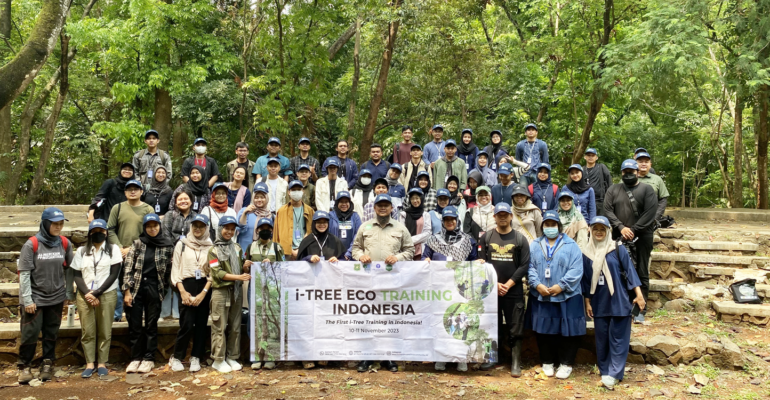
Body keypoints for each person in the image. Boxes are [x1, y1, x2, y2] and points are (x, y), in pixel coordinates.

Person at [351, 194, 415, 373]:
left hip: (391, 281)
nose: (383, 208)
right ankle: (367, 357)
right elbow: (355, 248)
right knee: (368, 318)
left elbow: (409, 250)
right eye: (380, 205)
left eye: (386, 205)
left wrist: (398, 257)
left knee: (389, 319)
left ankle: (389, 357)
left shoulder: (400, 228)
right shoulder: (365, 227)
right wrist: (360, 256)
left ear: (391, 208)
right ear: (375, 207)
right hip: (369, 282)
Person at [581, 216, 645, 389]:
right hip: (599, 302)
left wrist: (639, 295)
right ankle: (605, 371)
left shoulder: (617, 248)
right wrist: (587, 302)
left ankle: (615, 373)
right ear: (591, 231)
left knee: (618, 339)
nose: (599, 232)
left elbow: (630, 272)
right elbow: (586, 281)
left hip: (619, 301)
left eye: (602, 229)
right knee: (602, 340)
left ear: (608, 231)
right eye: (596, 229)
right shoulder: (586, 253)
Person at [525, 210, 585, 380]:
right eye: (547, 224)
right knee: (544, 330)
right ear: (542, 226)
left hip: (567, 295)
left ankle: (566, 363)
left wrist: (562, 285)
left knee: (568, 330)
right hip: (542, 294)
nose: (550, 227)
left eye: (553, 224)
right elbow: (529, 267)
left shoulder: (571, 245)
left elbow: (577, 269)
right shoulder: (535, 244)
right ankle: (547, 361)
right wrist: (537, 285)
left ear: (559, 226)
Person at [17, 208, 74, 384]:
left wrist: (68, 292)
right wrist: (27, 299)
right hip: (34, 299)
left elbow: (70, 269)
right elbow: (24, 273)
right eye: (55, 224)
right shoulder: (31, 244)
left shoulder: (64, 243)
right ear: (45, 224)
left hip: (56, 297)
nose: (58, 227)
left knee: (51, 332)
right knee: (30, 334)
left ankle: (48, 363)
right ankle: (25, 366)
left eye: (61, 224)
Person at [476, 203, 530, 376]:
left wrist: (509, 284)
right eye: (499, 214)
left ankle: (515, 362)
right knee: (492, 325)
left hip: (513, 291)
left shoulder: (520, 238)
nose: (502, 217)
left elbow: (524, 265)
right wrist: (496, 284)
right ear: (494, 217)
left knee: (516, 327)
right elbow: (482, 264)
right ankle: (492, 358)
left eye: (505, 214)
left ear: (511, 216)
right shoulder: (487, 237)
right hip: (492, 290)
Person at [424, 205, 478, 373]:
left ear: (457, 221)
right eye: (446, 220)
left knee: (460, 320)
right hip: (440, 289)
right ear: (442, 222)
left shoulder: (468, 240)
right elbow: (426, 257)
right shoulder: (434, 239)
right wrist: (425, 261)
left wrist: (479, 264)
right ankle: (442, 357)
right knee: (441, 321)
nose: (449, 222)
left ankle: (461, 356)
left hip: (461, 288)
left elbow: (474, 261)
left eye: (452, 219)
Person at [603, 159, 657, 323]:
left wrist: (633, 230)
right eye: (625, 172)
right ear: (622, 173)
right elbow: (607, 209)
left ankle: (640, 309)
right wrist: (620, 227)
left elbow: (650, 213)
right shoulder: (614, 189)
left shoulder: (647, 190)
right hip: (618, 236)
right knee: (619, 271)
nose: (628, 175)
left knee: (641, 271)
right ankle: (622, 305)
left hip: (642, 236)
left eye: (631, 172)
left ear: (637, 172)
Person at [122, 214, 174, 374]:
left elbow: (168, 271)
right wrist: (127, 291)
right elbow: (128, 269)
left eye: (155, 225)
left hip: (154, 288)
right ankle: (136, 358)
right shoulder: (137, 244)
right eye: (149, 226)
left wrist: (163, 289)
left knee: (151, 325)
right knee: (135, 325)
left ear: (159, 226)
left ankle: (149, 358)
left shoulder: (167, 245)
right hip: (136, 288)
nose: (152, 229)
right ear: (144, 228)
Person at [200, 216, 251, 373]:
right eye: (226, 228)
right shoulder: (213, 251)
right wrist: (238, 277)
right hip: (221, 292)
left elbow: (242, 268)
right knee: (219, 325)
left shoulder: (237, 248)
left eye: (232, 229)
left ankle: (232, 356)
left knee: (235, 326)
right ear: (220, 229)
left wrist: (246, 267)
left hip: (235, 292)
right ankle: (218, 359)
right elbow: (217, 273)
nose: (229, 231)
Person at [72, 219, 122, 378]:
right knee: (88, 330)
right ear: (89, 233)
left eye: (101, 231)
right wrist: (88, 293)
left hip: (106, 293)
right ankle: (89, 363)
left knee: (105, 329)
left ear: (106, 232)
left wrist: (97, 292)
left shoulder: (113, 249)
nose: (98, 234)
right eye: (94, 231)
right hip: (85, 294)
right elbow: (76, 274)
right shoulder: (81, 251)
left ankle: (102, 362)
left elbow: (114, 274)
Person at [169, 214, 213, 373]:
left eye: (201, 226)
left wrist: (203, 293)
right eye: (195, 226)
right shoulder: (181, 244)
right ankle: (177, 356)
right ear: (191, 226)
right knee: (186, 324)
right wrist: (182, 292)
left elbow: (213, 272)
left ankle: (196, 357)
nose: (198, 229)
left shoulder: (211, 246)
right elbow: (175, 271)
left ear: (206, 228)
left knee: (201, 324)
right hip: (186, 286)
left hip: (204, 287)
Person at [108, 179, 155, 322]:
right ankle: (116, 316)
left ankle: (136, 314)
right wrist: (120, 248)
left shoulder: (148, 209)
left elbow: (151, 231)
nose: (132, 191)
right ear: (125, 192)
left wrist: (132, 249)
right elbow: (110, 229)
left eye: (136, 189)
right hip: (119, 252)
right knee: (116, 283)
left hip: (140, 251)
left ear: (141, 191)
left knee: (137, 283)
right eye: (129, 189)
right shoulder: (118, 208)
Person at [245, 217, 285, 370]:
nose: (265, 231)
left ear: (272, 231)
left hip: (272, 288)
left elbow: (284, 268)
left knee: (270, 319)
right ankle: (256, 356)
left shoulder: (277, 247)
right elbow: (245, 269)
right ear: (257, 231)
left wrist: (273, 264)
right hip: (254, 288)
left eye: (268, 228)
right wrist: (246, 265)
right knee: (253, 318)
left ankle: (270, 357)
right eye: (262, 228)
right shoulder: (251, 247)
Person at [275, 180, 314, 260]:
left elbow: (312, 232)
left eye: (299, 190)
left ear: (303, 191)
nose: (296, 192)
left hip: (305, 251)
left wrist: (301, 248)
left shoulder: (310, 211)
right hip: (285, 252)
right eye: (293, 190)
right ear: (288, 192)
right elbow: (276, 235)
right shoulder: (281, 211)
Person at [236, 182, 273, 254]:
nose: (259, 200)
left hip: (262, 255)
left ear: (267, 198)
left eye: (262, 197)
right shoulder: (245, 210)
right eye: (256, 197)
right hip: (244, 253)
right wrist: (245, 213)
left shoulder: (270, 215)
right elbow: (240, 228)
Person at [635, 152, 669, 220]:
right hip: (630, 219)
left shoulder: (657, 179)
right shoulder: (628, 178)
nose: (643, 164)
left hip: (651, 219)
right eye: (640, 162)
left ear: (650, 165)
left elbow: (663, 200)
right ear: (635, 164)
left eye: (646, 162)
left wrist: (655, 218)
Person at [401, 188, 432, 260]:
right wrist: (408, 242)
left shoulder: (426, 215)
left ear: (421, 199)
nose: (415, 201)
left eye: (417, 198)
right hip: (407, 250)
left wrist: (410, 240)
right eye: (412, 199)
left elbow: (427, 233)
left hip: (421, 250)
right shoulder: (403, 214)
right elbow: (402, 232)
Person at [329, 191, 362, 260]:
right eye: (341, 202)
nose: (344, 204)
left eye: (346, 202)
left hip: (352, 255)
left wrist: (349, 253)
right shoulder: (330, 216)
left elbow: (358, 235)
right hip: (334, 256)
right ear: (337, 203)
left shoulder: (355, 216)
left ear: (350, 203)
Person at [584, 148, 612, 217]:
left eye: (592, 155)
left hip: (600, 201)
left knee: (601, 223)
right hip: (586, 201)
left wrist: (610, 199)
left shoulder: (601, 167)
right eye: (588, 155)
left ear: (596, 157)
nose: (590, 157)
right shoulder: (582, 170)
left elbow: (610, 182)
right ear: (585, 157)